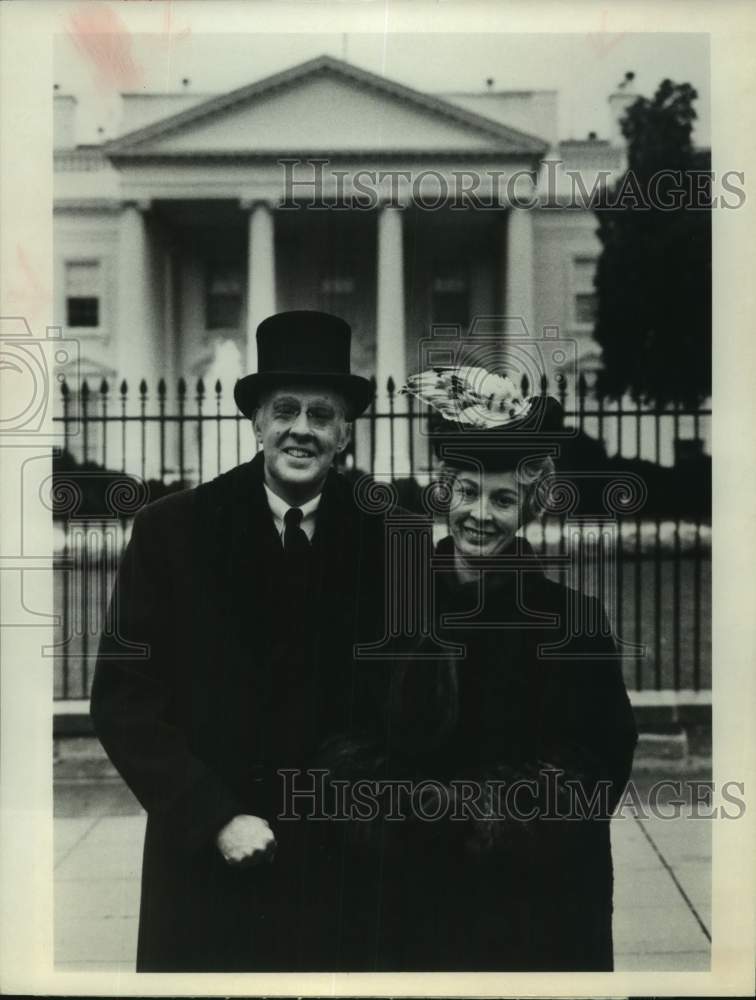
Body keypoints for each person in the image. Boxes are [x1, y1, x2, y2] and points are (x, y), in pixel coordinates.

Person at [90, 311, 392, 972]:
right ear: (255, 421)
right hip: (209, 865)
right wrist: (212, 817)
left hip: (343, 871)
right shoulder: (172, 533)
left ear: (346, 430)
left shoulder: (390, 537)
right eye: (284, 410)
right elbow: (123, 700)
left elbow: (419, 697)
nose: (301, 430)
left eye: (322, 413)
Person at [367, 365, 639, 970]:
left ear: (531, 507)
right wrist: (406, 818)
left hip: (533, 907)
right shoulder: (391, 609)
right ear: (445, 493)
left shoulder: (572, 621)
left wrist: (486, 820)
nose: (480, 515)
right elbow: (347, 736)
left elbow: (595, 762)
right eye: (467, 491)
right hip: (411, 898)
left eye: (504, 498)